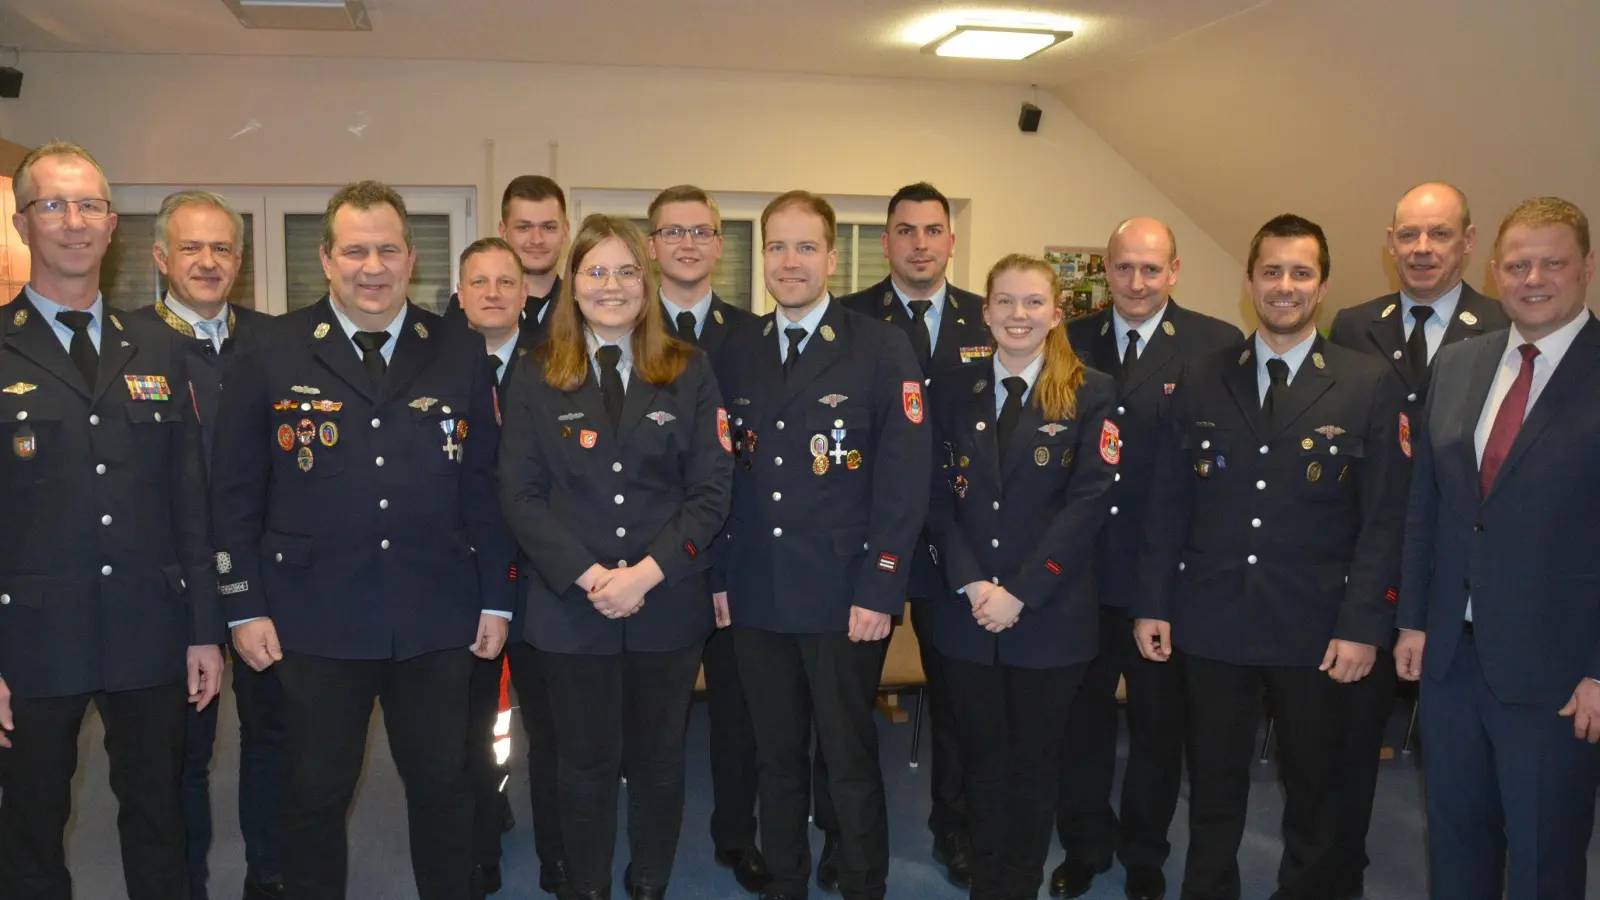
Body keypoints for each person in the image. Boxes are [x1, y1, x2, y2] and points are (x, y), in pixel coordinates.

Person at [210, 180, 517, 900]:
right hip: (312, 614)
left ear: (411, 258)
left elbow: (485, 486)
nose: (371, 267)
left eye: (387, 250)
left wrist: (498, 597)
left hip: (436, 610)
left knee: (444, 784)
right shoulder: (269, 348)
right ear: (326, 259)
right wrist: (242, 604)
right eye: (354, 251)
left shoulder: (458, 349)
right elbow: (233, 491)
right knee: (315, 791)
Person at [1132, 214, 1410, 900]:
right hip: (1212, 620)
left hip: (1315, 627)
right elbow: (1167, 503)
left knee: (1315, 787)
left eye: (1301, 273)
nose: (1285, 286)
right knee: (1213, 782)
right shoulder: (1201, 376)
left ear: (1323, 286)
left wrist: (1363, 624)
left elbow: (1384, 520)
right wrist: (1152, 603)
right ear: (1249, 281)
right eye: (1271, 271)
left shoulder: (1367, 382)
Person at [0, 140, 224, 900]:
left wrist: (204, 628)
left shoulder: (159, 344)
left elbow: (188, 498)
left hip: (147, 628)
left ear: (111, 224)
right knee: (29, 832)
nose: (74, 222)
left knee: (162, 822)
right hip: (31, 637)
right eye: (53, 205)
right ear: (22, 222)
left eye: (90, 205)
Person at [499, 214, 732, 900]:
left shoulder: (690, 368)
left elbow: (712, 490)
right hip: (572, 606)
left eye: (626, 271)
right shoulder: (536, 372)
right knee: (583, 762)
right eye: (596, 270)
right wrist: (594, 577)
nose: (611, 285)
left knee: (660, 758)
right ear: (572, 283)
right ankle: (590, 884)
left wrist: (646, 575)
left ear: (647, 280)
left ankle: (650, 877)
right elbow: (519, 494)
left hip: (667, 600)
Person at [712, 190, 930, 900]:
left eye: (806, 247)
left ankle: (864, 883)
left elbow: (904, 480)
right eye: (777, 246)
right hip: (757, 591)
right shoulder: (736, 348)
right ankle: (786, 882)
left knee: (848, 758)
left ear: (833, 258)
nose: (790, 261)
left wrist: (881, 588)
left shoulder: (879, 346)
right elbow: (719, 474)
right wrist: (719, 576)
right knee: (774, 758)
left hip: (845, 598)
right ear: (761, 257)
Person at [1395, 196, 1600, 900]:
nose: (1532, 279)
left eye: (1552, 264)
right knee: (1456, 843)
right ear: (1494, 269)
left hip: (1559, 674)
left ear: (1587, 268)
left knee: (1544, 858)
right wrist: (1413, 619)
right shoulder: (1459, 364)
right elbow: (1427, 505)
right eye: (1517, 265)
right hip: (1451, 661)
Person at [1323, 181, 1508, 900]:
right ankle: (1339, 875)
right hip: (1369, 565)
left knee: (1469, 767)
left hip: (1462, 571)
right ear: (1390, 243)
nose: (1422, 249)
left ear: (1469, 242)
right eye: (1409, 235)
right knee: (1347, 746)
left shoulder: (1504, 323)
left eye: (1439, 234)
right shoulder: (1352, 324)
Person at [1056, 217, 1242, 900]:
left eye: (1151, 268)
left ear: (1175, 270)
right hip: (1079, 574)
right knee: (1080, 723)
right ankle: (1084, 844)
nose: (1137, 282)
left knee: (1159, 728)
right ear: (1106, 268)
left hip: (1163, 578)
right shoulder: (1067, 339)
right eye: (1124, 267)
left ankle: (1143, 853)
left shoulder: (1216, 344)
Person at [925, 252, 1118, 900]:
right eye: (1005, 301)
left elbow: (1090, 503)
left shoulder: (1091, 391)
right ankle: (989, 884)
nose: (1018, 314)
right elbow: (935, 498)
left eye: (1033, 302)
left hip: (1050, 618)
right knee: (980, 762)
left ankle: (1019, 886)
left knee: (1035, 767)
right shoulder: (952, 388)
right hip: (969, 613)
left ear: (1057, 314)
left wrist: (1022, 593)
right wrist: (975, 584)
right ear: (985, 312)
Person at [834, 181, 992, 889]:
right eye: (906, 230)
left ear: (951, 240)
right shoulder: (847, 320)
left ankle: (954, 829)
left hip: (953, 548)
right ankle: (842, 837)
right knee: (842, 708)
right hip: (866, 546)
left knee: (957, 705)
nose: (920, 244)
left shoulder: (988, 318)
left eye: (933, 230)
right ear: (886, 241)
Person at [128, 188, 282, 900]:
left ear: (240, 261)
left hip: (261, 579)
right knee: (178, 759)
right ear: (161, 257)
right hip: (173, 585)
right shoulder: (129, 343)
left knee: (275, 744)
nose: (208, 261)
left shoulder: (274, 342)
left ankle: (268, 879)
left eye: (222, 247)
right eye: (191, 247)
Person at [644, 184, 768, 892]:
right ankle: (638, 841)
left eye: (700, 232)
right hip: (650, 560)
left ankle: (735, 835)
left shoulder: (752, 335)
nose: (687, 244)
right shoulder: (622, 325)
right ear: (651, 245)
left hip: (734, 555)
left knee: (738, 712)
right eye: (672, 232)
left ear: (720, 244)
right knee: (646, 719)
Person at [453, 236, 568, 898]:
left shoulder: (559, 366)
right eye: (480, 282)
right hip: (465, 580)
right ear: (460, 293)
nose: (493, 293)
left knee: (551, 731)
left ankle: (558, 855)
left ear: (527, 294)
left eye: (506, 281)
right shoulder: (436, 367)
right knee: (471, 729)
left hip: (543, 580)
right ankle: (480, 846)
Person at [444, 175, 568, 337]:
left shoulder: (581, 308)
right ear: (503, 231)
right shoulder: (468, 307)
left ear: (565, 232)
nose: (536, 240)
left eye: (549, 227)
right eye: (524, 227)